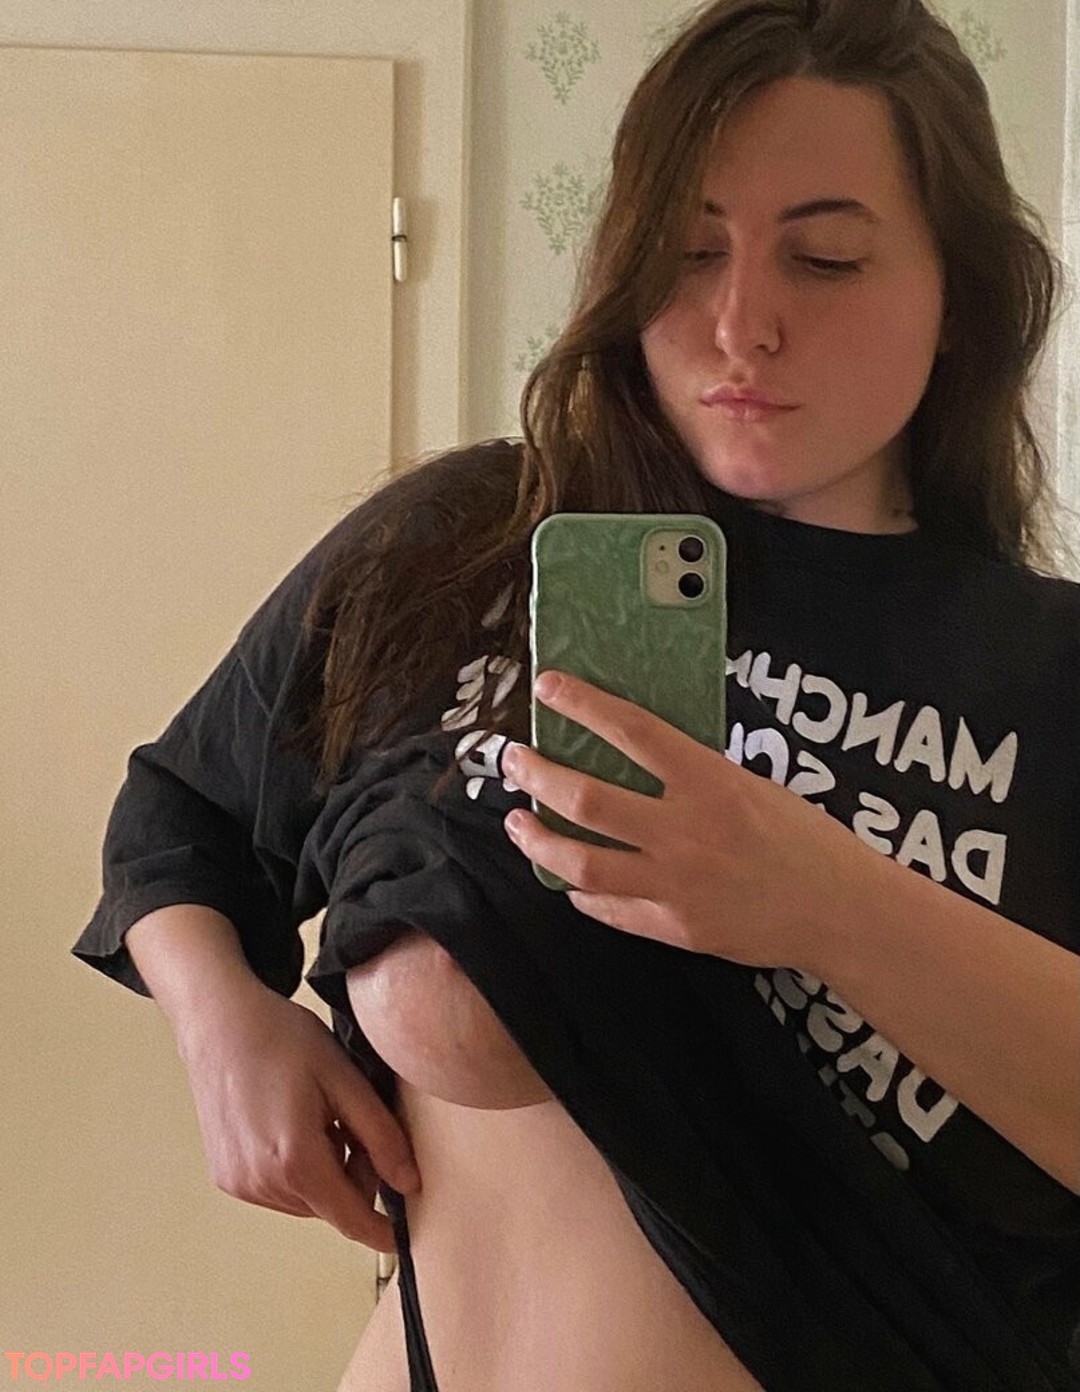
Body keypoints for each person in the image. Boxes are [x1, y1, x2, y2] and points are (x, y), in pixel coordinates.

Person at [74, 0, 1080, 1387]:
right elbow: (182, 810)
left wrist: (813, 895)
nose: (741, 322)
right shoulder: (469, 546)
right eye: (689, 250)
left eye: (827, 258)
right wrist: (221, 1022)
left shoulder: (1049, 674)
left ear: (960, 295)